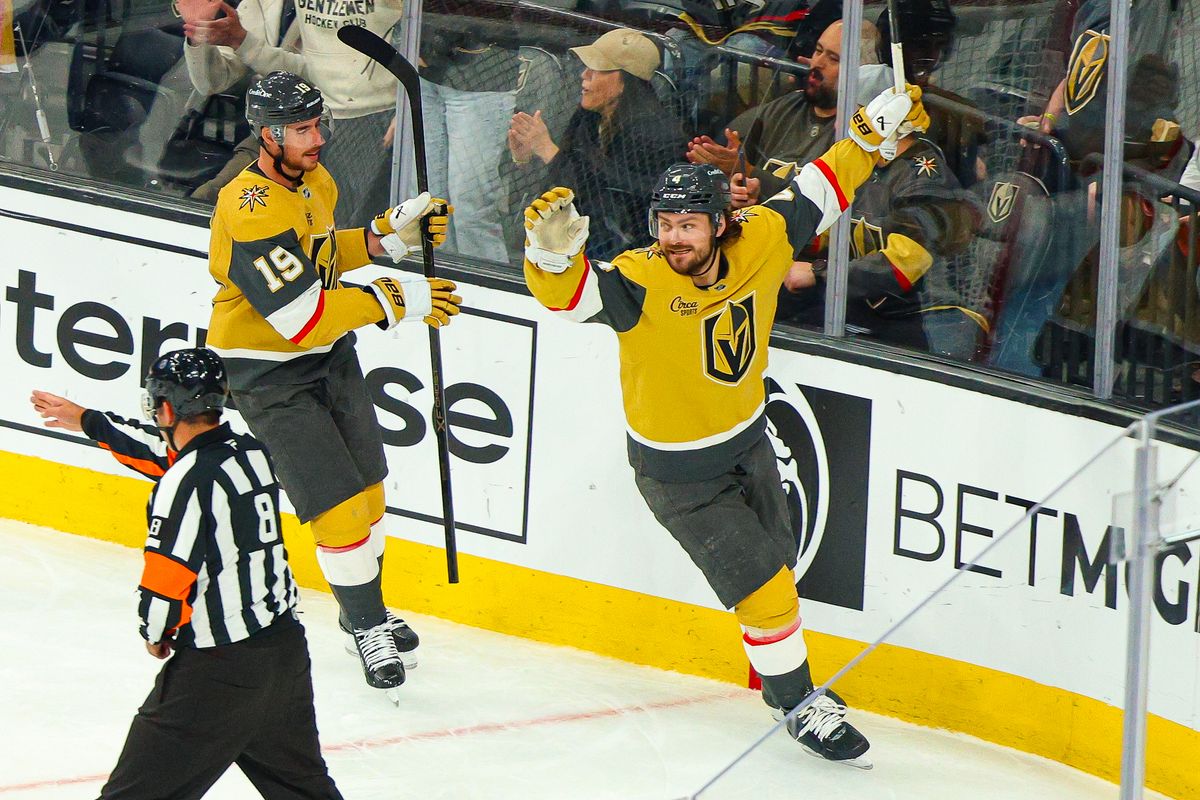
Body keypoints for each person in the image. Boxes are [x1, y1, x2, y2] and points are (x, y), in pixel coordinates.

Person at [521, 78, 930, 766]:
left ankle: (779, 683)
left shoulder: (764, 236)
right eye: (664, 226)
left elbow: (823, 186)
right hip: (679, 475)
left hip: (750, 443)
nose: (672, 240)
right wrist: (549, 256)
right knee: (766, 589)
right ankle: (801, 703)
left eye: (686, 226)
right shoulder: (639, 279)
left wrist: (870, 133)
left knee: (778, 571)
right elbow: (566, 301)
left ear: (721, 223)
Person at [204, 71, 461, 696]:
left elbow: (318, 255)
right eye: (302, 129)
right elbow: (298, 316)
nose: (317, 138)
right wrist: (395, 297)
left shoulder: (315, 179)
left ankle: (359, 607)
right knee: (339, 508)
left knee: (370, 493)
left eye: (318, 124)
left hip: (329, 356)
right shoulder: (247, 208)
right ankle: (369, 624)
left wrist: (384, 238)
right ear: (267, 136)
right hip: (266, 372)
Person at [34, 348, 342, 799]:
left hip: (217, 671)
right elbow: (171, 461)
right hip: (283, 653)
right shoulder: (252, 452)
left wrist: (155, 630)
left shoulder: (185, 482)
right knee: (301, 787)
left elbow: (167, 575)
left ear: (165, 407)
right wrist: (91, 423)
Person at [176, 0, 402, 224]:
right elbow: (212, 81)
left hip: (360, 123)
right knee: (210, 200)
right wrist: (200, 35)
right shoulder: (262, 4)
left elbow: (322, 77)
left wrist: (246, 44)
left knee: (337, 223)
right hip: (281, 122)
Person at [507, 28, 684, 260]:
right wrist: (525, 157)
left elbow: (601, 195)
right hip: (578, 239)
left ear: (625, 82)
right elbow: (566, 175)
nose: (584, 75)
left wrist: (547, 150)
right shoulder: (590, 115)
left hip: (623, 255)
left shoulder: (654, 134)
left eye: (597, 69)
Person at [685, 19, 878, 204]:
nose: (818, 63)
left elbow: (816, 208)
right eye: (818, 51)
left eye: (834, 59)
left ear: (861, 74)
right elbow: (730, 155)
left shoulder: (859, 134)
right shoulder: (787, 106)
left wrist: (749, 171)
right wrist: (718, 164)